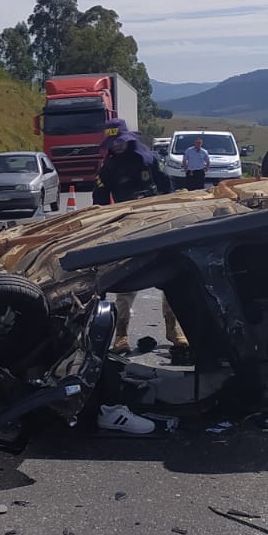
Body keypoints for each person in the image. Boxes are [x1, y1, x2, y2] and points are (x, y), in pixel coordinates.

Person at [89, 121, 169, 434]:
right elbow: (100, 197)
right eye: (112, 144)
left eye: (120, 142)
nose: (117, 147)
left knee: (170, 278)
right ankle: (122, 334)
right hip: (127, 223)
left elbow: (166, 186)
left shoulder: (147, 159)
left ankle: (176, 333)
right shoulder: (108, 167)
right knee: (126, 283)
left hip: (157, 216)